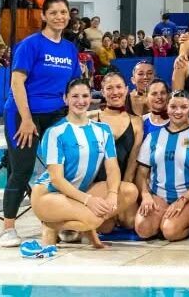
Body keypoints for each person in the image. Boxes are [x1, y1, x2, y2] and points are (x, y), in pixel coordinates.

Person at [0, 0, 82, 247]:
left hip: (55, 113)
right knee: (22, 169)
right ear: (44, 16)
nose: (59, 17)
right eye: (53, 12)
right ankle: (8, 228)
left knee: (64, 168)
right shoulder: (30, 45)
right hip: (23, 112)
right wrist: (26, 119)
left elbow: (74, 85)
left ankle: (62, 222)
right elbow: (17, 82)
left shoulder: (69, 49)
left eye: (63, 12)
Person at [29, 79, 129, 252]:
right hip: (48, 195)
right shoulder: (55, 133)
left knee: (128, 191)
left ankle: (66, 223)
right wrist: (88, 201)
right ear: (65, 99)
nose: (80, 101)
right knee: (94, 218)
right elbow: (56, 179)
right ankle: (51, 225)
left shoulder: (103, 130)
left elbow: (112, 168)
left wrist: (112, 195)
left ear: (91, 98)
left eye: (85, 96)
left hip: (78, 192)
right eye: (75, 96)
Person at [134, 91, 189, 241]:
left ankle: (185, 221)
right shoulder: (153, 137)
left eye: (183, 107)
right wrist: (145, 195)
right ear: (167, 107)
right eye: (173, 107)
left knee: (170, 232)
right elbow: (141, 173)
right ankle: (164, 220)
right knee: (143, 229)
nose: (178, 111)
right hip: (160, 196)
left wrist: (183, 200)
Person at [93, 73, 143, 228]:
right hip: (97, 184)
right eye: (109, 88)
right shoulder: (92, 119)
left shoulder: (136, 121)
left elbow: (133, 161)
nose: (115, 92)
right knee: (106, 227)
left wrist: (122, 193)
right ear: (102, 92)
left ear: (126, 89)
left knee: (130, 222)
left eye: (119, 87)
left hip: (122, 184)